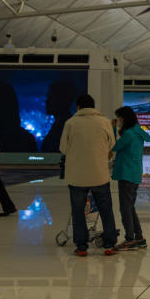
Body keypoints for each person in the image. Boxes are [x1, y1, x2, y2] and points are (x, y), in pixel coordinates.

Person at [60, 94, 117, 257]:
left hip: (77, 176)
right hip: (100, 174)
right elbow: (112, 145)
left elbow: (63, 148)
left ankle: (82, 246)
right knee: (106, 210)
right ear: (94, 106)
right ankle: (109, 245)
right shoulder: (105, 122)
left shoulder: (70, 123)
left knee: (78, 211)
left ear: (78, 107)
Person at [111, 106, 150, 251]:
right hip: (134, 173)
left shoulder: (128, 134)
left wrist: (113, 129)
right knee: (130, 207)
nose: (118, 121)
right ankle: (139, 237)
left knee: (125, 208)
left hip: (126, 174)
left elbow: (114, 147)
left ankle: (130, 239)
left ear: (124, 118)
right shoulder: (138, 131)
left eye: (119, 118)